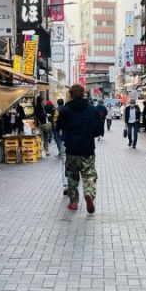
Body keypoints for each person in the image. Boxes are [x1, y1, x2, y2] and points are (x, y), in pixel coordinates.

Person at [56, 84, 102, 213]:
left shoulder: (66, 110)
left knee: (72, 176)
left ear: (70, 94)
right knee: (89, 175)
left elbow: (59, 127)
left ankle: (73, 202)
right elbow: (99, 131)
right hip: (87, 149)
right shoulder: (92, 110)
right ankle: (89, 194)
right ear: (83, 94)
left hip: (71, 149)